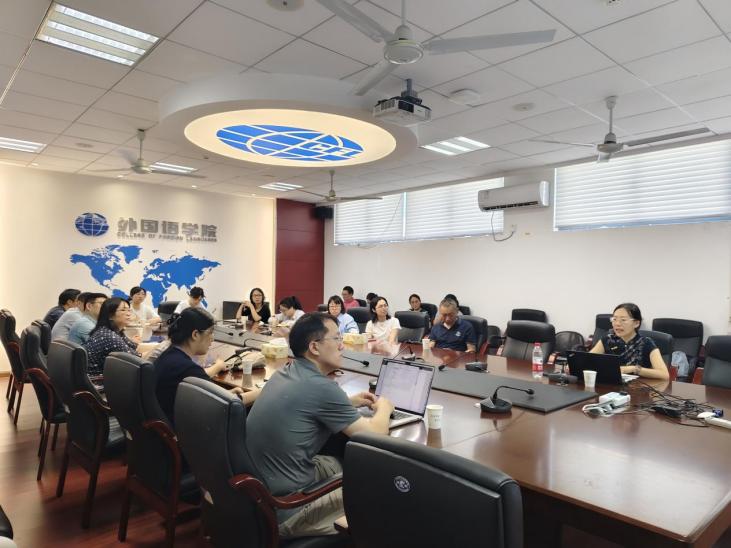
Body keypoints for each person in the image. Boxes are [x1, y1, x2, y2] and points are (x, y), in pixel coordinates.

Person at [246, 312, 393, 538]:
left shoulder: (286, 371)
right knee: (384, 492)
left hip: (256, 495)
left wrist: (347, 403)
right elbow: (375, 436)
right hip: (286, 508)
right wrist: (385, 407)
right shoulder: (323, 388)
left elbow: (307, 402)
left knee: (341, 463)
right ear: (314, 347)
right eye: (337, 338)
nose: (342, 345)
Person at [154, 308, 259, 426]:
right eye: (210, 333)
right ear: (195, 334)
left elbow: (211, 397)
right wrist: (262, 392)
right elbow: (225, 405)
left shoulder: (169, 355)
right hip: (182, 431)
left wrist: (229, 393)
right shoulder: (187, 369)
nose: (212, 338)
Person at [590, 303, 669, 380]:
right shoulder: (607, 340)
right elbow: (587, 362)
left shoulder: (646, 343)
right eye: (614, 319)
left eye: (623, 320)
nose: (617, 324)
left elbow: (664, 374)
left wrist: (633, 369)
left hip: (638, 387)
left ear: (636, 323)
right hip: (610, 385)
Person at [84, 298, 141, 376]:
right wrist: (157, 350)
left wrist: (155, 348)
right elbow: (138, 360)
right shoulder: (108, 336)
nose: (128, 314)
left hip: (108, 376)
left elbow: (133, 346)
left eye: (129, 310)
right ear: (110, 315)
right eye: (123, 310)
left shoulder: (114, 330)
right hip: (98, 380)